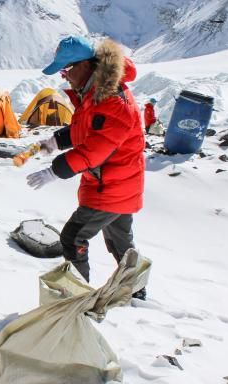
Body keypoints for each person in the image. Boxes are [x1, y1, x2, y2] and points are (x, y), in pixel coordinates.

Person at [26, 36, 147, 300]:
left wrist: (54, 171)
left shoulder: (112, 101)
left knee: (72, 238)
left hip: (111, 186)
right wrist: (55, 141)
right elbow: (86, 130)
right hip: (116, 183)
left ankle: (75, 299)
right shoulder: (96, 94)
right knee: (120, 241)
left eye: (66, 70)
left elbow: (96, 149)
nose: (65, 77)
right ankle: (136, 292)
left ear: (84, 66)